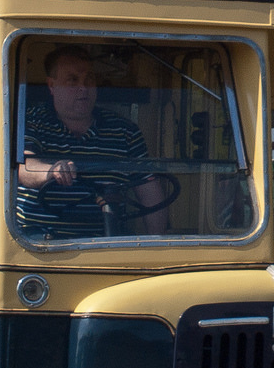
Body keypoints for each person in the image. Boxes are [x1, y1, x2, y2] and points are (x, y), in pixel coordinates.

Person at [15, 45, 167, 240]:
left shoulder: (124, 131)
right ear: (52, 85)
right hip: (40, 244)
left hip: (104, 243)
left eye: (89, 80)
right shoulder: (30, 122)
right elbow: (24, 167)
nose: (83, 88)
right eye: (72, 80)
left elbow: (149, 190)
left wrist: (158, 243)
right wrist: (51, 172)